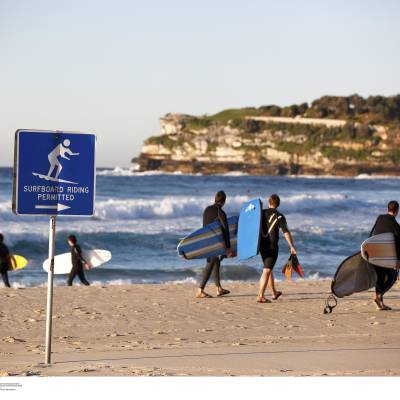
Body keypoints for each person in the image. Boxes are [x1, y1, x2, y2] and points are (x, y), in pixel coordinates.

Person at [257, 194, 297, 303]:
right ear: (278, 204)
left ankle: (274, 293)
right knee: (267, 270)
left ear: (269, 202)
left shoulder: (260, 213)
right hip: (271, 246)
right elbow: (286, 232)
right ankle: (260, 296)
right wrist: (291, 246)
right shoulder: (279, 216)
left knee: (269, 268)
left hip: (261, 246)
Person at [196, 191, 232, 298]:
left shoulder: (207, 209)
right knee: (211, 263)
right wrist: (228, 247)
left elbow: (204, 226)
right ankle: (200, 290)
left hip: (206, 240)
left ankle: (218, 288)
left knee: (216, 262)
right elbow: (226, 231)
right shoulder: (220, 212)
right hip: (215, 242)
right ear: (224, 201)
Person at [369, 200, 400, 310]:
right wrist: (398, 260)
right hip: (386, 256)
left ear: (388, 209)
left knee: (381, 277)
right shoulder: (396, 226)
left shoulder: (380, 218)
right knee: (392, 277)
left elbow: (373, 233)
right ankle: (378, 296)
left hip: (373, 253)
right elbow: (397, 244)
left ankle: (380, 302)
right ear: (397, 211)